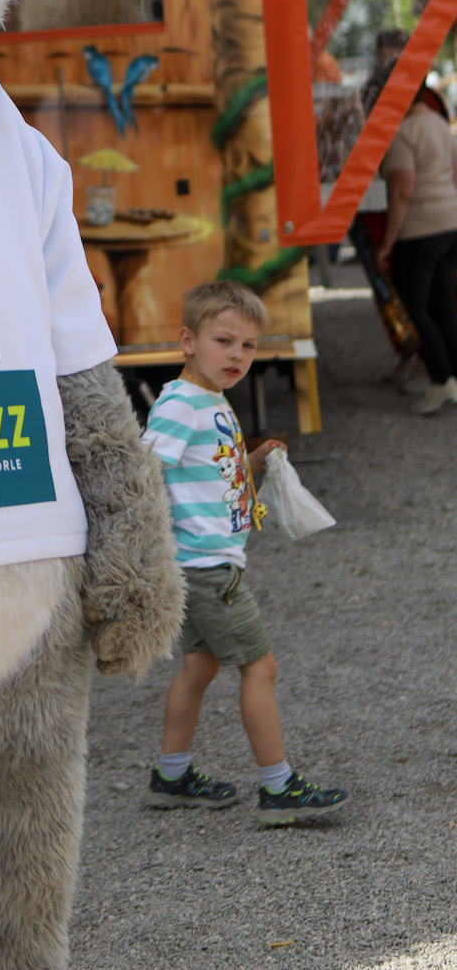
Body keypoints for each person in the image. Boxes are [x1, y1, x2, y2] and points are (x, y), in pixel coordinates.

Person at [142, 281, 348, 826]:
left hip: (201, 563)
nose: (236, 355)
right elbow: (143, 474)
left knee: (199, 665)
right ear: (188, 341)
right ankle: (278, 788)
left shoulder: (210, 398)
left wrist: (253, 460)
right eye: (223, 341)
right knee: (261, 667)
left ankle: (171, 775)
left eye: (248, 346)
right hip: (207, 568)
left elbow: (209, 472)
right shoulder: (181, 404)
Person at [376, 78, 457, 416]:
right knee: (443, 306)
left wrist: (387, 244)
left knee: (416, 307)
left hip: (419, 230)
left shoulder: (403, 132)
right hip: (450, 224)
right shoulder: (439, 123)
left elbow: (402, 191)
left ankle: (440, 379)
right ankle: (451, 376)